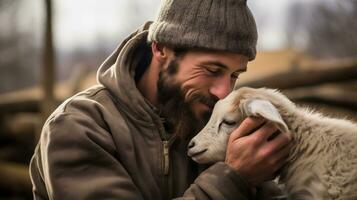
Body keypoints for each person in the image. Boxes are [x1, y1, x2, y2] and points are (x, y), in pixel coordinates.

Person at [30, 0, 292, 199]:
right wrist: (232, 179)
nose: (223, 92)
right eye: (212, 71)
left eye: (234, 75)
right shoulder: (80, 126)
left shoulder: (216, 124)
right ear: (161, 48)